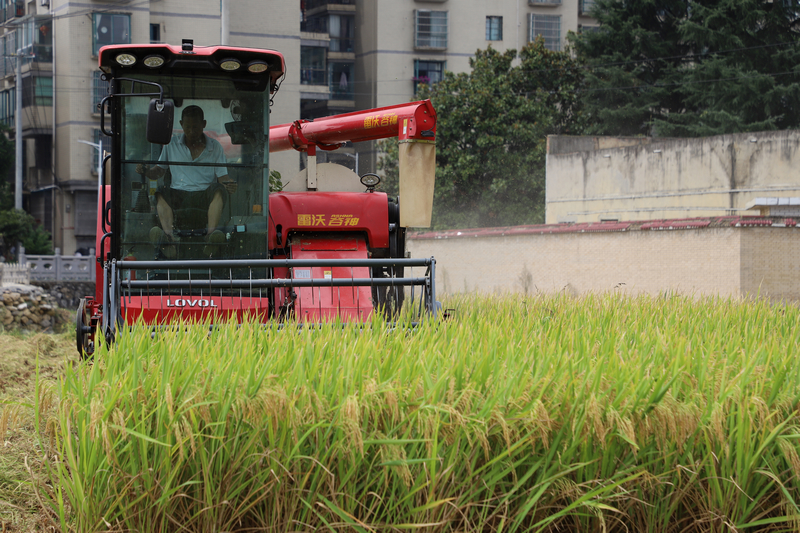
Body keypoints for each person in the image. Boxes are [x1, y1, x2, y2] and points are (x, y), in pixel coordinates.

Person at [136, 105, 237, 257]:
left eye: (195, 127)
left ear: (203, 124)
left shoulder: (215, 147)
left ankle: (210, 238)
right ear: (181, 124)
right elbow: (159, 171)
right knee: (160, 192)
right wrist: (146, 171)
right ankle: (169, 240)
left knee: (218, 190)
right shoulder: (171, 144)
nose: (191, 131)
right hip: (178, 196)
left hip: (204, 196)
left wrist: (230, 185)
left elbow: (223, 179)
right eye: (187, 127)